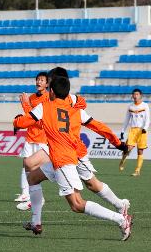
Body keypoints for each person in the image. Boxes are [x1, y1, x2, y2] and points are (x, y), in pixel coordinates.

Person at [13, 75, 132, 241]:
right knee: (32, 178)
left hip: (63, 160)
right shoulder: (76, 109)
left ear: (51, 91)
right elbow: (99, 127)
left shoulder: (44, 107)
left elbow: (21, 123)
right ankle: (36, 222)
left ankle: (121, 219)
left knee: (77, 204)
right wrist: (119, 144)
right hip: (70, 155)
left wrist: (21, 112)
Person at [15, 72, 48, 210]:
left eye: (42, 80)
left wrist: (26, 106)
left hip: (42, 138)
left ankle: (38, 196)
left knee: (40, 169)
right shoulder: (32, 97)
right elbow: (29, 119)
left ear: (47, 84)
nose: (39, 82)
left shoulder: (48, 99)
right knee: (25, 164)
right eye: (37, 79)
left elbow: (40, 121)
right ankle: (25, 193)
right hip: (30, 137)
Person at [119, 88, 150, 176]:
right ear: (132, 96)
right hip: (132, 130)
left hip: (142, 130)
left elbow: (148, 118)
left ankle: (137, 171)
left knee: (140, 151)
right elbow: (126, 119)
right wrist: (122, 130)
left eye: (137, 94)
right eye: (134, 94)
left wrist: (145, 128)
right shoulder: (130, 106)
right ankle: (122, 161)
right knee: (127, 149)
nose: (135, 96)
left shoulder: (145, 105)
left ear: (140, 95)